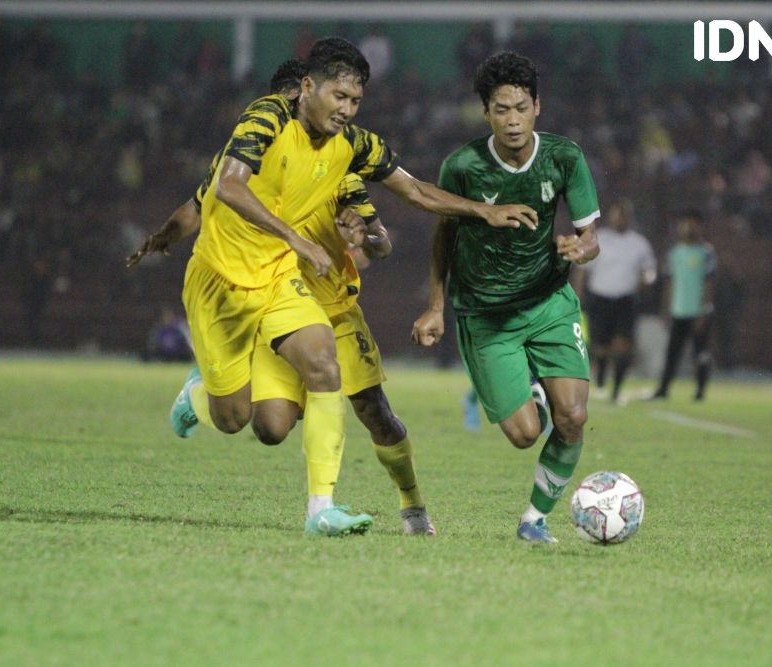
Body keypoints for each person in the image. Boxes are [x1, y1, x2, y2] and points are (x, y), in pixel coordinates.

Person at [136, 41, 537, 538]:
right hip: (220, 282)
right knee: (250, 422)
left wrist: (484, 211)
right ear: (307, 88)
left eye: (355, 101)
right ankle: (201, 395)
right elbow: (223, 190)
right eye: (339, 97)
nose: (346, 110)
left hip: (285, 278)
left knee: (325, 361)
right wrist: (289, 238)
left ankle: (321, 509)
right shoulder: (265, 120)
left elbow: (412, 191)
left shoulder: (353, 150)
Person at [411, 52, 601, 544]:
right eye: (501, 110)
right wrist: (436, 304)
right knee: (523, 435)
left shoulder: (564, 157)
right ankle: (530, 394)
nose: (513, 120)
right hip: (486, 314)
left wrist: (580, 249)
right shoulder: (464, 166)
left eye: (521, 107)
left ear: (537, 106)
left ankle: (534, 520)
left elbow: (590, 237)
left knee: (574, 417)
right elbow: (443, 238)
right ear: (486, 112)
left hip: (548, 302)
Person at [572, 198, 656, 404]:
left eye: (624, 215)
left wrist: (647, 279)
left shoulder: (639, 243)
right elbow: (582, 270)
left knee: (623, 346)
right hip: (599, 299)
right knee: (600, 347)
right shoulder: (599, 239)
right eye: (617, 215)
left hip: (625, 300)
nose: (621, 219)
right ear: (610, 217)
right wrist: (576, 296)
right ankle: (600, 379)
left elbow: (649, 270)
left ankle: (616, 390)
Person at [648, 211, 717, 401]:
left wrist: (705, 310)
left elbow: (709, 283)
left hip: (698, 313)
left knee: (700, 354)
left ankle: (700, 391)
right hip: (678, 311)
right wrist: (665, 311)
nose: (689, 229)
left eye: (693, 225)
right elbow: (669, 284)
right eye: (686, 225)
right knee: (672, 354)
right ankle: (663, 389)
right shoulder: (674, 253)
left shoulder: (706, 252)